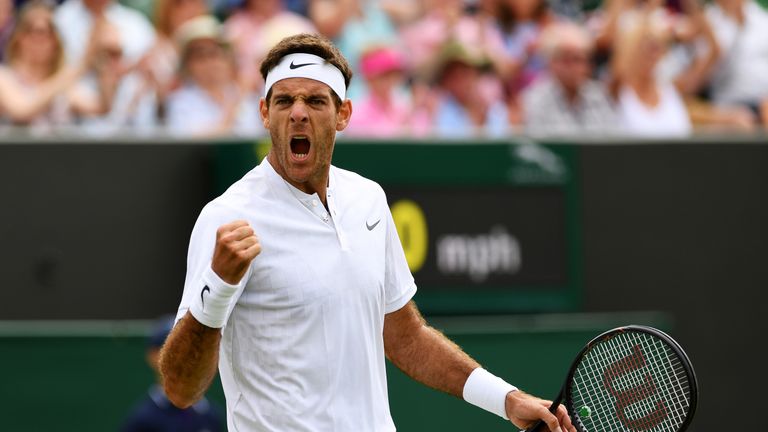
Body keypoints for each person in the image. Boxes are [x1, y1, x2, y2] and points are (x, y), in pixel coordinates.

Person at [158, 33, 575, 432]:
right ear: (265, 113)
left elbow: (406, 336)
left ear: (343, 114)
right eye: (284, 101)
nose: (298, 113)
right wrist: (217, 287)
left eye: (315, 100)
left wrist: (506, 398)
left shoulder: (368, 198)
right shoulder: (227, 216)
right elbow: (179, 389)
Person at [121, 315, 224, 432]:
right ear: (152, 355)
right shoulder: (142, 420)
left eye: (190, 347)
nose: (184, 355)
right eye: (173, 348)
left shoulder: (211, 415)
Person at [165, 15, 261, 137]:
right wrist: (234, 106)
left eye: (215, 53)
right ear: (188, 64)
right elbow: (196, 143)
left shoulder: (249, 97)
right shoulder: (179, 102)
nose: (210, 62)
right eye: (200, 56)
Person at [522, 22, 620, 135]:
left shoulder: (599, 96)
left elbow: (612, 136)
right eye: (566, 60)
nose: (574, 67)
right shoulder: (534, 100)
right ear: (551, 62)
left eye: (579, 59)